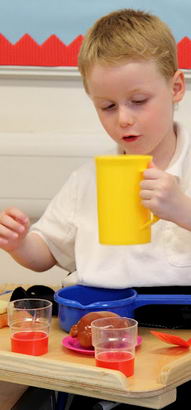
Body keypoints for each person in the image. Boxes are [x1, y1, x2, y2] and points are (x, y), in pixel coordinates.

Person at [0, 8, 190, 409]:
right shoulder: (87, 179)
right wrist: (19, 243)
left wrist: (183, 211)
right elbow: (45, 254)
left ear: (176, 88)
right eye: (106, 107)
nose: (123, 119)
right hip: (91, 336)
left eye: (139, 101)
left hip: (176, 340)